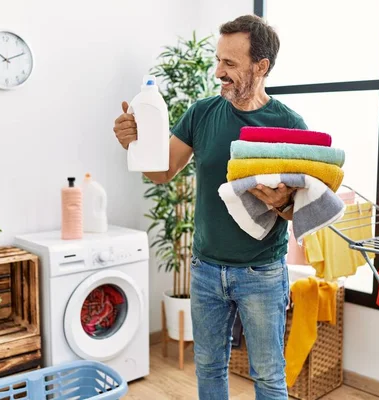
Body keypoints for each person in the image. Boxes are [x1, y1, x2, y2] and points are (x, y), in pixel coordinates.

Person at [113, 14, 307, 400]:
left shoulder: (290, 125)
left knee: (269, 375)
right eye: (218, 60)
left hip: (262, 273)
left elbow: (302, 212)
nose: (218, 72)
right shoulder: (202, 113)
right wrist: (135, 143)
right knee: (209, 369)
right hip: (205, 269)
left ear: (261, 66)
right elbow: (163, 171)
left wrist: (283, 204)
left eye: (230, 64)